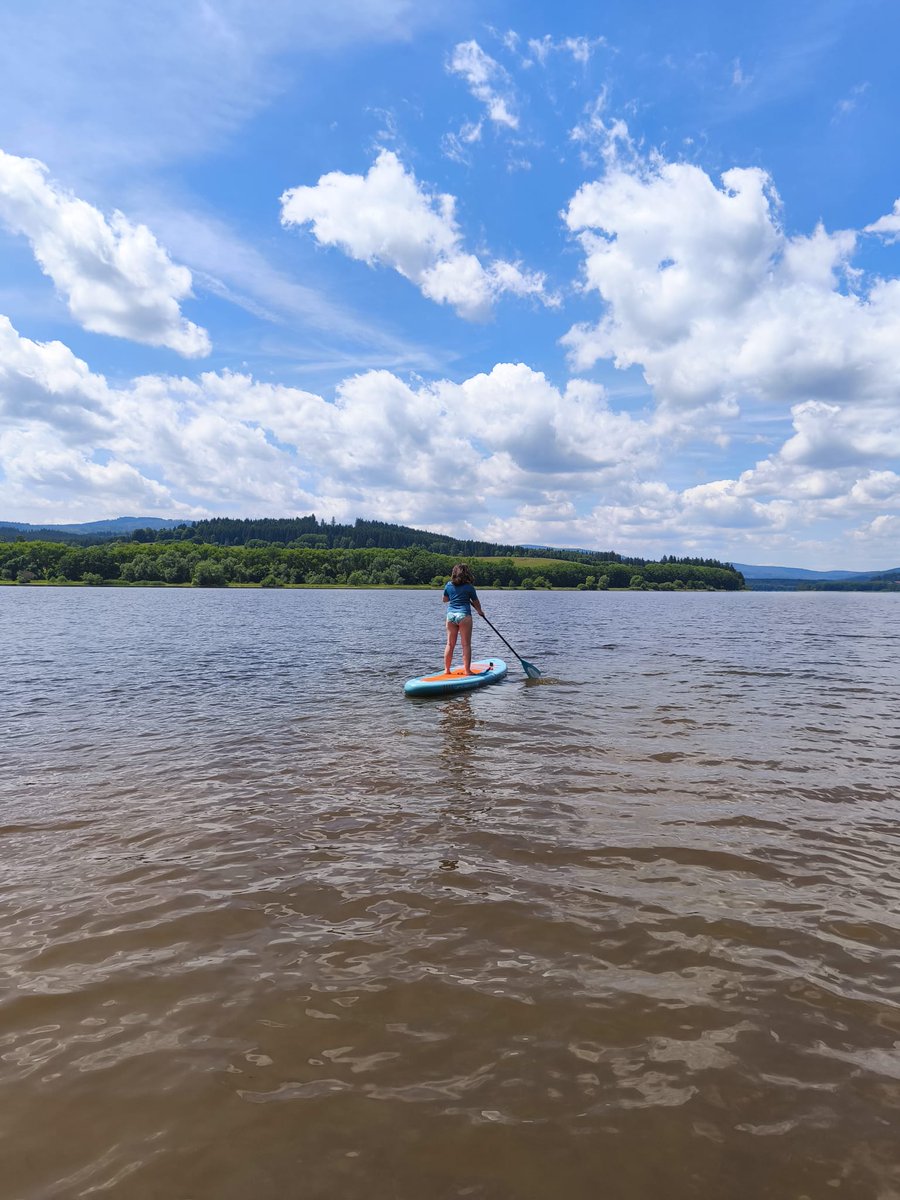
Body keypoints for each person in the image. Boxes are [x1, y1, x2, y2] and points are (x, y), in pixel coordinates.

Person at [442, 563, 485, 675]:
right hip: (464, 615)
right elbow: (476, 602)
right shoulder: (469, 587)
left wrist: (454, 596)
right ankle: (467, 671)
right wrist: (480, 612)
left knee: (450, 644)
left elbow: (445, 600)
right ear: (466, 574)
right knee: (466, 644)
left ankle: (446, 670)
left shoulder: (448, 585)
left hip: (450, 616)